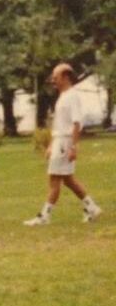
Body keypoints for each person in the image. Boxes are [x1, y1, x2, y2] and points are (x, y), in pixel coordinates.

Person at [24, 63, 102, 226]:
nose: (53, 80)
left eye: (56, 77)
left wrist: (73, 147)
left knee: (54, 180)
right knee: (68, 180)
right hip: (59, 141)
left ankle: (44, 216)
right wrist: (52, 144)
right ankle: (92, 207)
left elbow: (76, 123)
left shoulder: (72, 96)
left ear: (66, 77)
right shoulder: (63, 96)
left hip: (65, 142)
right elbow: (59, 124)